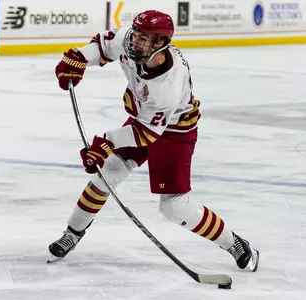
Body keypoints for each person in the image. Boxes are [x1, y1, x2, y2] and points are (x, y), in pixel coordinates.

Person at [48, 10, 260, 272]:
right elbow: (102, 46)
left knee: (174, 207)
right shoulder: (130, 41)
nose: (136, 42)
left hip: (175, 133)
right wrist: (79, 59)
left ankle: (234, 243)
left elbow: (146, 134)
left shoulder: (167, 85)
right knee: (107, 172)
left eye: (145, 39)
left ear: (161, 43)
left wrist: (106, 141)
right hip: (144, 121)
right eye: (136, 35)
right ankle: (73, 232)